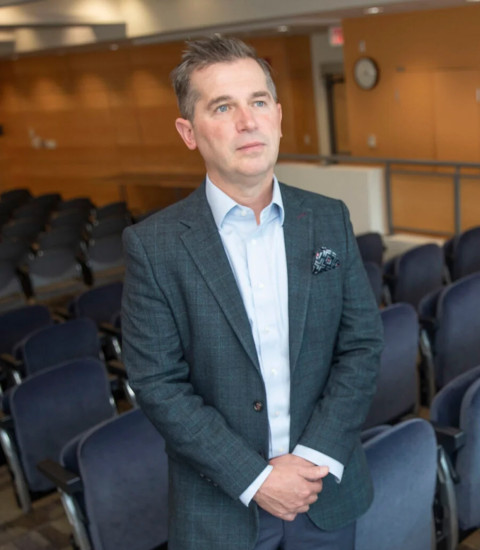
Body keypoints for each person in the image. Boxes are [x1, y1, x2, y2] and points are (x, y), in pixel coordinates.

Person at [121, 35, 382, 549]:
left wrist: (312, 457)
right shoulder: (153, 246)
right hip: (222, 507)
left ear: (278, 116)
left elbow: (361, 347)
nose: (248, 122)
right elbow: (158, 383)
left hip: (323, 490)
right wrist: (257, 479)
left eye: (258, 102)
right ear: (188, 131)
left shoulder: (329, 218)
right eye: (223, 107)